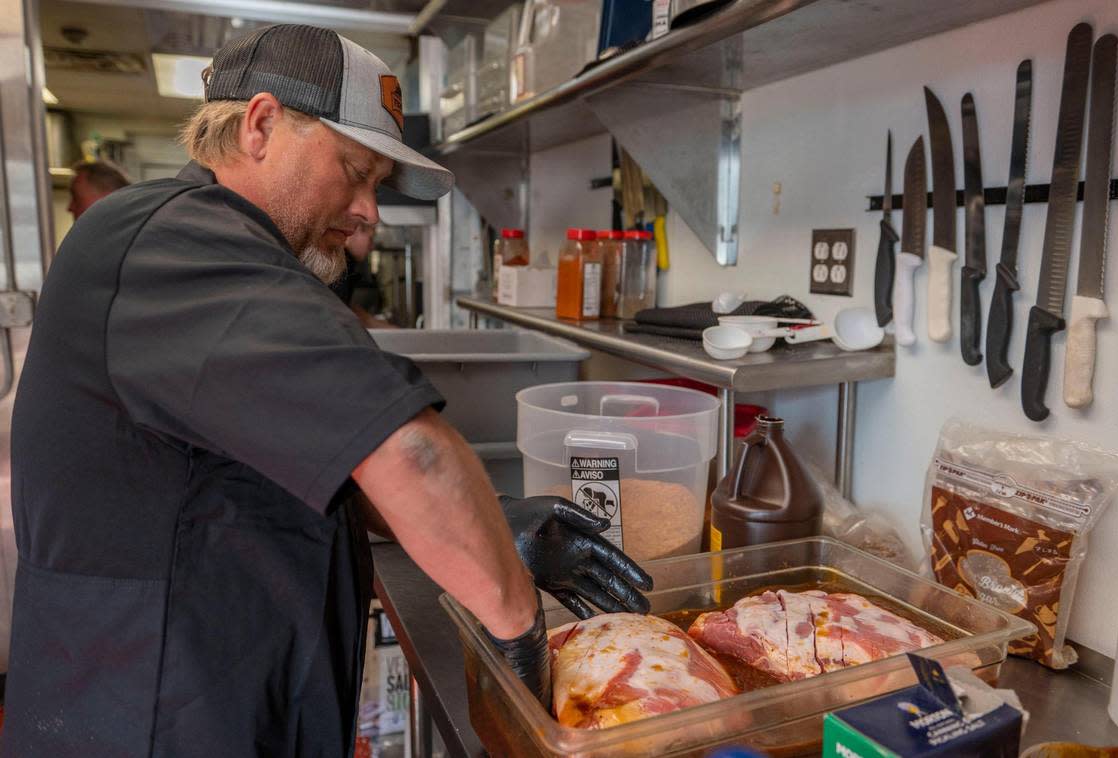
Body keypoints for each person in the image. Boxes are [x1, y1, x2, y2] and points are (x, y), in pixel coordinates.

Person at [3, 24, 651, 758]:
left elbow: (328, 458)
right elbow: (414, 455)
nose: (369, 215)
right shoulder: (173, 242)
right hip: (150, 721)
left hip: (223, 701)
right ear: (261, 125)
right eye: (354, 171)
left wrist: (494, 525)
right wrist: (518, 639)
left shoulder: (212, 252)